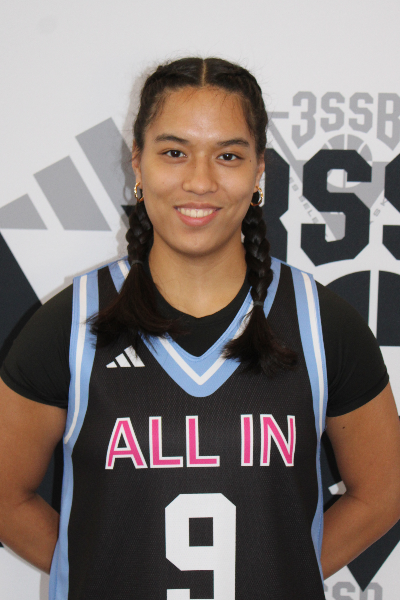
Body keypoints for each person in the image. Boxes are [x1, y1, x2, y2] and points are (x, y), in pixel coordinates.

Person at [0, 57, 399, 600]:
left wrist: (284, 570)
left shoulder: (320, 322)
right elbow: (7, 496)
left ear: (259, 171)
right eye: (174, 152)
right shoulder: (70, 325)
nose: (200, 181)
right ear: (137, 163)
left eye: (228, 155)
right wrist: (98, 570)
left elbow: (383, 492)